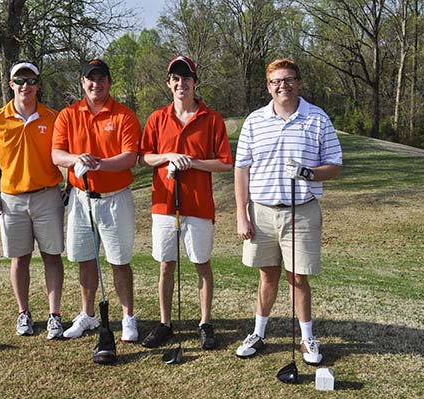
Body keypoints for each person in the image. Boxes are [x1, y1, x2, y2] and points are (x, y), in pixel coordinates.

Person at [234, 58, 342, 364]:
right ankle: (258, 333)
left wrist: (308, 173)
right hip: (262, 211)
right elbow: (241, 169)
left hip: (301, 211)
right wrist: (242, 214)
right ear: (268, 86)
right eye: (276, 81)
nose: (283, 86)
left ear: (299, 82)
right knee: (267, 275)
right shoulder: (255, 121)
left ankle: (307, 339)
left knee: (298, 277)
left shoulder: (317, 118)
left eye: (289, 79)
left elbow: (334, 166)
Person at [139, 55, 233, 350]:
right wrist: (168, 156)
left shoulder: (212, 119)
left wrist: (193, 163)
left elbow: (224, 163)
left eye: (187, 78)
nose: (182, 84)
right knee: (166, 265)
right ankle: (166, 323)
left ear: (195, 82)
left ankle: (205, 323)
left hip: (198, 205)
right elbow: (144, 157)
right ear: (169, 83)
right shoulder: (157, 118)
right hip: (164, 205)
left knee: (201, 264)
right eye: (176, 79)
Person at [0, 61, 65, 340]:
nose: (26, 85)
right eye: (20, 80)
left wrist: (70, 186)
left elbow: (67, 153)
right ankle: (23, 312)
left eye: (31, 80)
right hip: (11, 199)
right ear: (11, 84)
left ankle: (54, 315)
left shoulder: (52, 117)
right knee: (19, 259)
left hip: (47, 196)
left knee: (52, 256)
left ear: (38, 84)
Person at [51, 59, 141, 343]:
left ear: (110, 83)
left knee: (119, 261)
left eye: (101, 79)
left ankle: (128, 317)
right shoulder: (67, 115)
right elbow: (57, 155)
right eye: (90, 79)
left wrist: (98, 164)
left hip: (115, 199)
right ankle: (88, 315)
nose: (96, 84)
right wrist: (78, 159)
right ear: (82, 82)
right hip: (80, 197)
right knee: (85, 260)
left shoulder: (124, 115)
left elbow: (129, 158)